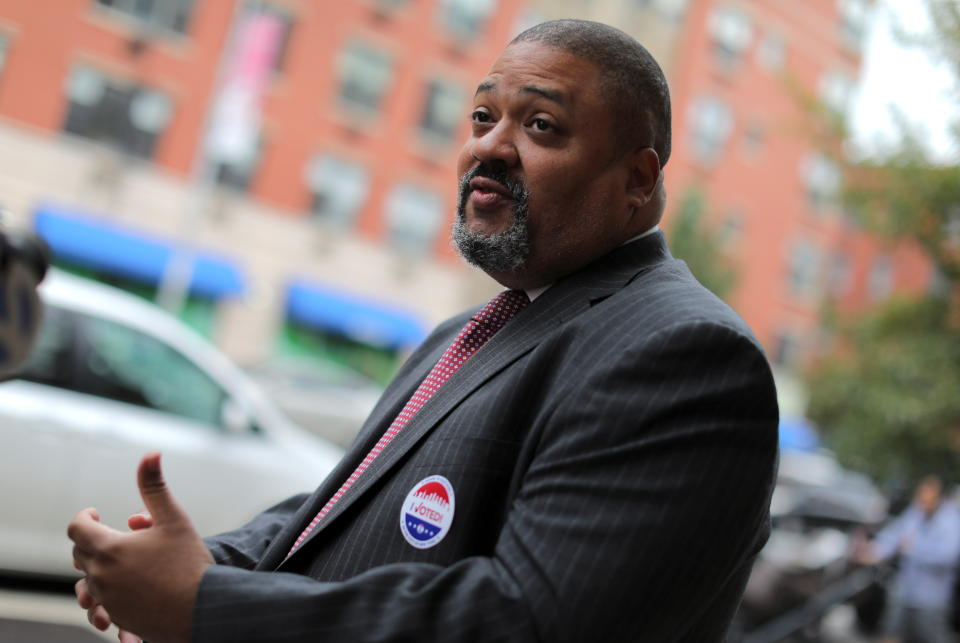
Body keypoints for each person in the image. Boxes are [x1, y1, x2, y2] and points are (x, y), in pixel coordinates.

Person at [68, 19, 779, 642]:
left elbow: (524, 622)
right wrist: (207, 562)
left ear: (636, 178)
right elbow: (355, 510)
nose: (490, 148)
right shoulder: (466, 331)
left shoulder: (685, 354)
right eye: (481, 116)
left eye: (540, 126)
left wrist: (207, 604)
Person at [856, 476, 960, 643]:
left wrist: (914, 550)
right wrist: (874, 551)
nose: (923, 499)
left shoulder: (951, 520)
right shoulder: (916, 512)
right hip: (905, 591)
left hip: (931, 598)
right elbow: (895, 535)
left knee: (931, 636)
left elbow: (948, 555)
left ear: (939, 496)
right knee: (891, 634)